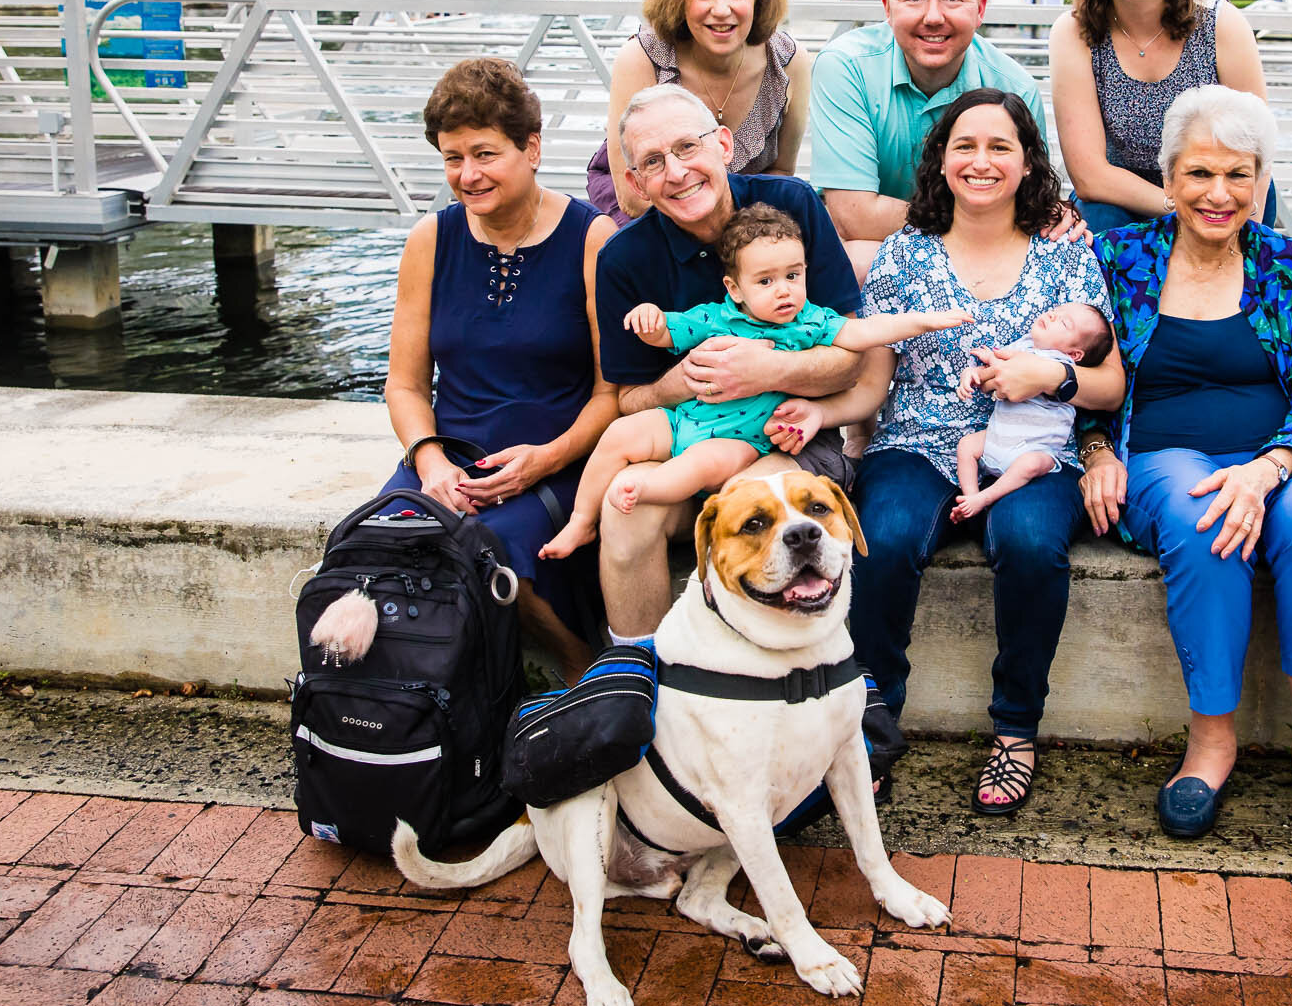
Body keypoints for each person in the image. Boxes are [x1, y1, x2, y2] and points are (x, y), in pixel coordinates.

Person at [1077, 86, 1292, 855]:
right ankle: (1211, 742)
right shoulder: (1118, 258)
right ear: (1170, 175)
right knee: (1200, 513)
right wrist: (1094, 452)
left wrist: (1267, 468)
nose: (1219, 194)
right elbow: (1078, 376)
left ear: (1262, 180)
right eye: (1200, 173)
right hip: (1164, 452)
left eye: (1239, 175)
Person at [795, 89, 1122, 815]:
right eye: (964, 145)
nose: (981, 160)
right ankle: (868, 728)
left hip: (1033, 448)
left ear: (1027, 160)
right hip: (918, 440)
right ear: (940, 160)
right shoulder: (905, 253)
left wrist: (1055, 375)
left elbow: (1110, 382)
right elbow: (874, 378)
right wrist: (819, 412)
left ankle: (1015, 727)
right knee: (883, 533)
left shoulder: (1064, 252)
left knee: (1033, 541)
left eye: (1000, 146)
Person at [592, 84, 865, 638]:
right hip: (687, 432)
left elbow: (851, 356)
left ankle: (761, 671)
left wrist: (769, 371)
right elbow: (627, 401)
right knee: (623, 512)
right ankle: (635, 678)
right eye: (652, 162)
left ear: (723, 144)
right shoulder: (623, 259)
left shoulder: (791, 205)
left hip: (786, 436)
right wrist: (675, 382)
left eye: (687, 148)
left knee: (749, 503)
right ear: (636, 183)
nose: (676, 172)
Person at [381, 57, 617, 684]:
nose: (468, 174)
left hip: (557, 460)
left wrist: (545, 459)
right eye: (452, 157)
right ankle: (413, 709)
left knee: (494, 548)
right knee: (382, 541)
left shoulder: (591, 238)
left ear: (532, 148)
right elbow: (403, 385)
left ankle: (580, 672)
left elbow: (610, 392)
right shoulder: (430, 240)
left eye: (485, 153)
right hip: (447, 459)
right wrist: (430, 461)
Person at [543, 205, 968, 549]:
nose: (784, 290)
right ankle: (582, 519)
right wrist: (649, 319)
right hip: (684, 420)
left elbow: (864, 332)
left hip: (739, 443)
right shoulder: (717, 317)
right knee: (622, 432)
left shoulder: (809, 323)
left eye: (793, 275)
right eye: (765, 281)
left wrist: (923, 321)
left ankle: (646, 489)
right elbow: (667, 332)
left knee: (697, 465)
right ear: (735, 288)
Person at [806, 0, 1074, 278]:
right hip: (885, 251)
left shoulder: (1015, 87)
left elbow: (1027, 205)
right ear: (887, 8)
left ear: (979, 9)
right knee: (854, 259)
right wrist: (974, 224)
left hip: (980, 256)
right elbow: (853, 216)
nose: (933, 16)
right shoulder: (845, 66)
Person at [1049, 0, 1273, 236]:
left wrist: (1235, 228)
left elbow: (1258, 147)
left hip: (1220, 190)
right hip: (1120, 197)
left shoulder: (1221, 24)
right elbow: (1089, 174)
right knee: (1099, 222)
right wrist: (1182, 207)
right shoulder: (1074, 33)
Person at [585, 0, 808, 222]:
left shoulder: (789, 62)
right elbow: (631, 198)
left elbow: (780, 175)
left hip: (741, 218)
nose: (720, 8)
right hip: (650, 205)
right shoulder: (641, 58)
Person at [952, 303, 1112, 524]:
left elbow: (1022, 371)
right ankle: (970, 499)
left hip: (1033, 448)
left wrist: (994, 361)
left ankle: (984, 497)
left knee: (1033, 464)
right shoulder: (1025, 344)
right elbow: (999, 371)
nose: (1052, 315)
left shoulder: (1061, 363)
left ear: (1075, 354)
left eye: (1064, 322)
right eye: (1056, 311)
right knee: (966, 446)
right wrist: (973, 373)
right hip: (998, 438)